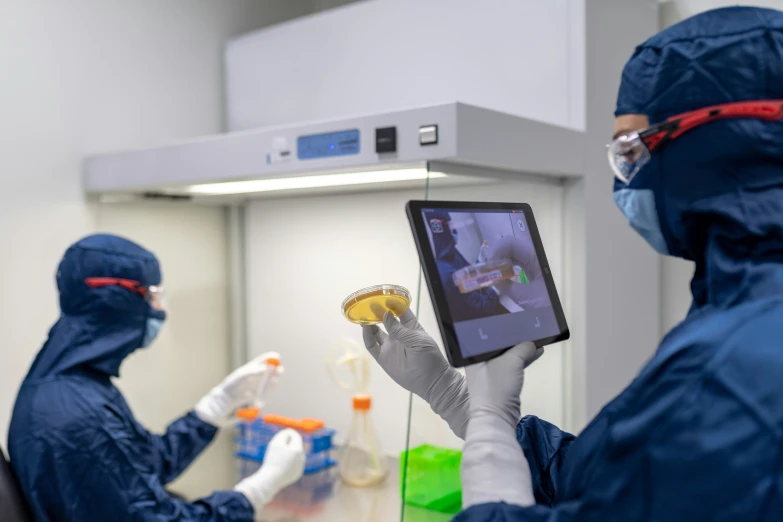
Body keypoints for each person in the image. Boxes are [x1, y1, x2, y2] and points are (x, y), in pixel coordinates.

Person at [365, 6, 783, 520]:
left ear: (722, 139)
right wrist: (456, 400)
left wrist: (491, 425)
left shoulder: (733, 365)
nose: (623, 179)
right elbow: (618, 485)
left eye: (632, 148)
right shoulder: (742, 317)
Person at [8, 234, 306, 521]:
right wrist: (260, 488)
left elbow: (143, 464)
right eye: (154, 295)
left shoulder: (72, 385)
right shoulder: (78, 414)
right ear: (119, 300)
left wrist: (217, 405)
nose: (160, 309)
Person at [427, 210, 508, 321]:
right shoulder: (446, 273)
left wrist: (480, 259)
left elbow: (469, 280)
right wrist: (496, 289)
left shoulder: (451, 254)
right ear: (440, 229)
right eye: (450, 225)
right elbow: (480, 307)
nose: (454, 229)